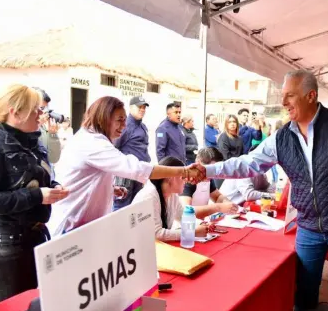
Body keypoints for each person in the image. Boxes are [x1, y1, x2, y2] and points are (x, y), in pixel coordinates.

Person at [196, 70, 328, 311]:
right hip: (307, 228)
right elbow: (249, 163)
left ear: (311, 96)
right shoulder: (282, 137)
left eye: (289, 96)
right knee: (303, 294)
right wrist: (206, 170)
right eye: (282, 96)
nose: (283, 102)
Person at [49, 97, 203, 237]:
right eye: (119, 120)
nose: (124, 125)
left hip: (86, 225)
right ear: (103, 118)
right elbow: (136, 168)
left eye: (124, 120)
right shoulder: (92, 143)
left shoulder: (97, 139)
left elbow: (89, 177)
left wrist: (109, 188)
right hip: (71, 227)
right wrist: (184, 170)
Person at [0, 84, 69, 303]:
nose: (40, 114)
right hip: (9, 244)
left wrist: (54, 187)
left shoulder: (31, 141)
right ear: (16, 113)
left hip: (35, 236)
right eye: (35, 109)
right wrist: (37, 196)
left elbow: (38, 177)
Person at [134, 157, 211, 242]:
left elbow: (182, 216)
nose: (185, 181)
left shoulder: (172, 195)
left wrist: (202, 224)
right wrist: (191, 232)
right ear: (170, 177)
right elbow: (157, 234)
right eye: (183, 177)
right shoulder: (149, 196)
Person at [113, 96, 151, 210]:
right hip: (126, 174)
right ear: (130, 108)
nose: (142, 109)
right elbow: (115, 148)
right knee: (122, 207)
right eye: (139, 107)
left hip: (139, 173)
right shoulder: (125, 126)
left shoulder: (142, 126)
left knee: (135, 207)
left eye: (144, 107)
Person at [180, 147, 238, 216]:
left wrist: (227, 203)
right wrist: (218, 207)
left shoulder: (209, 178)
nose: (214, 175)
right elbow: (186, 211)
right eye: (210, 169)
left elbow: (217, 196)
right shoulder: (189, 181)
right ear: (198, 163)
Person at [35, 88, 62, 165]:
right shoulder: (24, 129)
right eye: (42, 108)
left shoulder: (43, 128)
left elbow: (54, 158)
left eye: (46, 108)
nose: (44, 112)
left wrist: (53, 134)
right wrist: (36, 127)